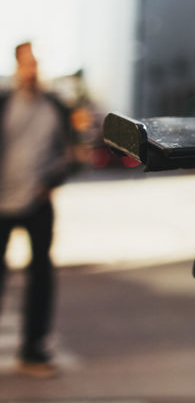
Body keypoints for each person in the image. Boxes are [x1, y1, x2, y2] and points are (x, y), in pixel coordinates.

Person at [0, 42, 75, 378]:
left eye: (36, 64)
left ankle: (33, 351)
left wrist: (53, 180)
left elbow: (74, 153)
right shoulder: (5, 103)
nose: (31, 70)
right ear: (17, 65)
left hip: (38, 202)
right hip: (1, 201)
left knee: (41, 278)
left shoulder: (55, 106)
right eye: (26, 63)